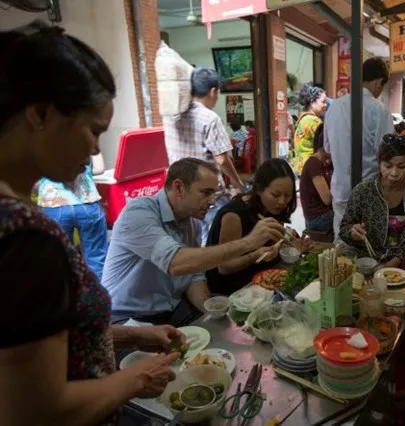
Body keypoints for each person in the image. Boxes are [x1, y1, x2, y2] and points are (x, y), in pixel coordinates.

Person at [0, 22, 192, 426]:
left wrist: (131, 335)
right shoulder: (27, 236)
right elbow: (36, 411)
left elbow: (30, 342)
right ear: (40, 114)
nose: (94, 151)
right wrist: (136, 378)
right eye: (93, 130)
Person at [103, 158, 284, 325]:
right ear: (179, 188)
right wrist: (249, 242)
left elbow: (193, 275)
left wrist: (209, 306)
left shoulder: (192, 224)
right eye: (205, 193)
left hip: (171, 310)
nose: (212, 201)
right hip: (126, 317)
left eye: (214, 193)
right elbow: (176, 262)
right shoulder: (138, 213)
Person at [206, 159, 312, 294]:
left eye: (288, 195)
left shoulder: (273, 209)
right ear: (259, 190)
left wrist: (293, 248)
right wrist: (254, 256)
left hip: (260, 281)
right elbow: (224, 267)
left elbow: (272, 248)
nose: (282, 202)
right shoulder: (235, 215)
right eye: (276, 194)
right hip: (231, 290)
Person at [163, 67, 244, 242]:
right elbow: (222, 159)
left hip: (178, 192)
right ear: (213, 91)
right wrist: (239, 183)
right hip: (206, 193)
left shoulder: (172, 116)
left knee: (186, 239)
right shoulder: (210, 118)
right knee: (211, 240)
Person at [324, 57, 395, 241]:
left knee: (342, 242)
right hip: (369, 192)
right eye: (382, 87)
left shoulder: (334, 107)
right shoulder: (380, 110)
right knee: (368, 244)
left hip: (341, 191)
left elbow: (327, 148)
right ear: (379, 82)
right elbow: (389, 155)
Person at [339, 135, 405, 267]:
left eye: (401, 166)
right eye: (388, 166)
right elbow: (344, 228)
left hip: (400, 264)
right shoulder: (363, 191)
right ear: (379, 164)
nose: (394, 173)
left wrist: (390, 265)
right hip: (365, 262)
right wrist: (352, 233)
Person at [35, 153, 109, 281]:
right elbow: (100, 168)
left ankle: (68, 298)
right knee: (96, 256)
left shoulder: (41, 140)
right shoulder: (83, 134)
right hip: (87, 200)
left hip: (54, 204)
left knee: (60, 258)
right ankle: (98, 298)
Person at [300, 123, 333, 232]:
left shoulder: (324, 164)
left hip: (323, 215)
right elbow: (327, 199)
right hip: (317, 219)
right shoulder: (314, 164)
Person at [290, 83, 327, 175]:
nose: (325, 105)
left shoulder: (303, 118)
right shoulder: (313, 121)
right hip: (312, 170)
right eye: (323, 102)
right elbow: (327, 143)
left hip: (301, 167)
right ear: (312, 102)